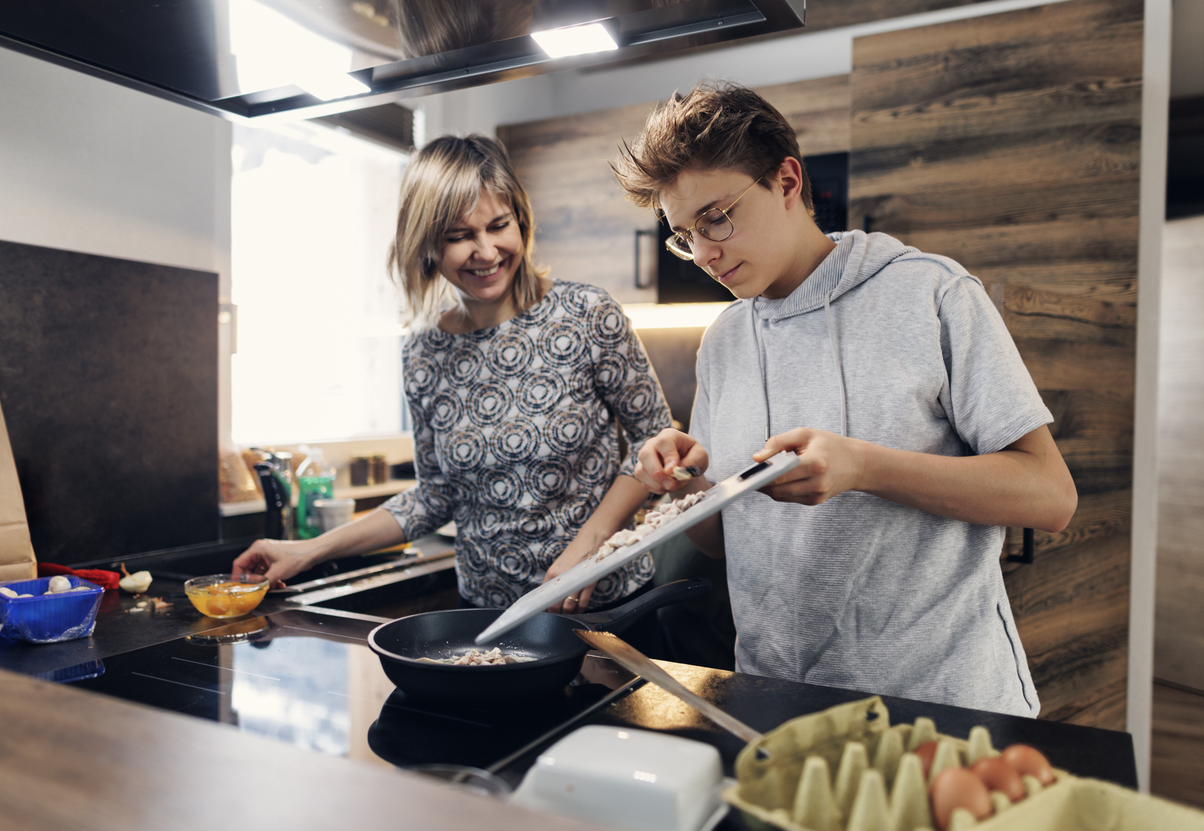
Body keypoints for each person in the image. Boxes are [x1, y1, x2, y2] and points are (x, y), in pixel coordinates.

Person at [611, 82, 1077, 717]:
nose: (705, 253)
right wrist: (687, 486)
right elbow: (725, 542)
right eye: (685, 234)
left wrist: (864, 468)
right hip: (778, 705)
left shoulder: (931, 294)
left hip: (942, 707)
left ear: (787, 181)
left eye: (717, 216)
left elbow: (1051, 497)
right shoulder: (723, 340)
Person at [234, 134, 673, 617]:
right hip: (486, 617)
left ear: (521, 220)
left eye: (499, 225)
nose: (486, 251)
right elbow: (434, 495)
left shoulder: (587, 314)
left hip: (605, 607)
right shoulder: (423, 351)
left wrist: (589, 545)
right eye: (460, 236)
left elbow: (657, 442)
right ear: (427, 246)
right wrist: (306, 550)